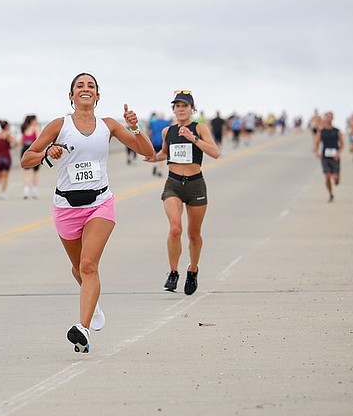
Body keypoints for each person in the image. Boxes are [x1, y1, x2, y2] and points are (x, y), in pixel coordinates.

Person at [20, 72, 153, 353]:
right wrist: (47, 154)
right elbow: (26, 159)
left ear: (97, 96)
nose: (85, 89)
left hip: (100, 204)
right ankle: (93, 304)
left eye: (90, 86)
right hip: (66, 207)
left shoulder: (108, 126)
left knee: (89, 265)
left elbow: (147, 151)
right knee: (78, 267)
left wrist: (136, 127)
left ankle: (82, 329)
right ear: (71, 96)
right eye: (79, 86)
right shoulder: (59, 125)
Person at [145, 90, 220, 295]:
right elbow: (165, 154)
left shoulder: (199, 128)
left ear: (192, 109)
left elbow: (215, 152)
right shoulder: (167, 131)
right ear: (173, 109)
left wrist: (192, 137)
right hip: (173, 184)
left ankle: (193, 270)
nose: (181, 109)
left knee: (193, 234)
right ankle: (173, 272)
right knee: (175, 229)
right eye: (177, 106)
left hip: (195, 184)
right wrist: (153, 157)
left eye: (184, 106)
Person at [313, 111, 343, 202]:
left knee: (336, 178)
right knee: (327, 177)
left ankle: (336, 179)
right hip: (325, 156)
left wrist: (338, 153)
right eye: (327, 117)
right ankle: (330, 194)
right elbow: (317, 143)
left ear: (333, 118)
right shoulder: (321, 132)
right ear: (325, 118)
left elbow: (342, 144)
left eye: (331, 117)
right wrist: (317, 152)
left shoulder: (337, 131)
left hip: (335, 156)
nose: (329, 118)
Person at [0, 119, 17, 199]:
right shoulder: (8, 135)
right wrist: (10, 147)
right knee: (5, 176)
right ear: (7, 126)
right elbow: (15, 142)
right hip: (5, 157)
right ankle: (3, 193)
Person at [20, 114, 42, 199]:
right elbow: (39, 139)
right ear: (33, 120)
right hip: (34, 151)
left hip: (25, 150)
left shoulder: (24, 129)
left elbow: (22, 141)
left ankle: (26, 190)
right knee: (35, 172)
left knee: (26, 172)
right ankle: (34, 190)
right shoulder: (36, 128)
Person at [147, 111, 168, 177]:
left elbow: (150, 132)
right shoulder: (166, 122)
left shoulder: (153, 123)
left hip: (154, 141)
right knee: (163, 155)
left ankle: (155, 165)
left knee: (155, 154)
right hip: (163, 141)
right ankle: (159, 170)